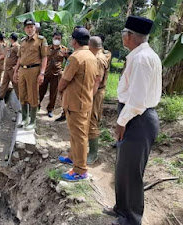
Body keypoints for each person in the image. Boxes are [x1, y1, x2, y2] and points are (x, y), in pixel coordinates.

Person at [104, 16, 161, 225]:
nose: (122, 38)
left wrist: (122, 121)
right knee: (123, 167)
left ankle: (131, 219)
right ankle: (121, 209)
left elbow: (137, 99)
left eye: (123, 34)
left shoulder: (142, 58)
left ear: (129, 36)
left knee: (132, 172)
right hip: (134, 115)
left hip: (139, 118)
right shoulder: (139, 55)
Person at [57, 27, 98, 181]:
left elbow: (65, 80)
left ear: (74, 41)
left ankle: (80, 170)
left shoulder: (76, 57)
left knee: (79, 136)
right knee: (76, 133)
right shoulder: (91, 56)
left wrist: (60, 91)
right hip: (85, 100)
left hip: (75, 103)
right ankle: (73, 156)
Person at [13, 19, 48, 130]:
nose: (29, 29)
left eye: (31, 27)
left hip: (34, 70)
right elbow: (19, 57)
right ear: (24, 29)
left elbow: (44, 57)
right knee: (22, 94)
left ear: (35, 28)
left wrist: (42, 73)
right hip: (22, 70)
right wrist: (15, 71)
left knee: (33, 95)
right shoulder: (23, 41)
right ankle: (24, 119)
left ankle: (32, 121)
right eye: (27, 27)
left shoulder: (41, 40)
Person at [87, 36, 109, 165]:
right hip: (95, 92)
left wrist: (89, 97)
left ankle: (93, 153)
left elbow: (97, 81)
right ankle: (88, 149)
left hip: (96, 93)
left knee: (92, 121)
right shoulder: (99, 56)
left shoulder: (99, 59)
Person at [39, 31, 68, 118]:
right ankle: (37, 105)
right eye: (56, 38)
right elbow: (41, 59)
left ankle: (50, 109)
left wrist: (64, 71)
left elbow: (69, 61)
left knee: (53, 93)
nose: (57, 40)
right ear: (52, 38)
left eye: (59, 39)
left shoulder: (64, 50)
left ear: (61, 39)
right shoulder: (46, 48)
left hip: (56, 74)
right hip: (45, 73)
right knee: (40, 90)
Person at [0, 33, 20, 100]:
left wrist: (16, 66)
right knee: (4, 83)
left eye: (10, 38)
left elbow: (20, 57)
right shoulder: (10, 46)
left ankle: (21, 99)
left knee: (16, 85)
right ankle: (0, 96)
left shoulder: (17, 46)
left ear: (12, 38)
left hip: (12, 68)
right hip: (7, 68)